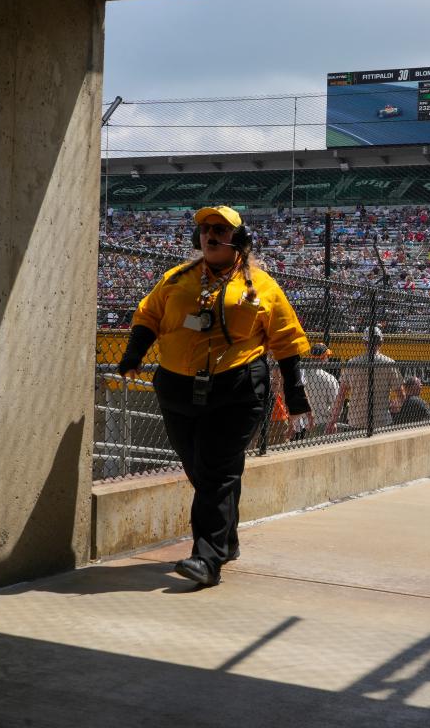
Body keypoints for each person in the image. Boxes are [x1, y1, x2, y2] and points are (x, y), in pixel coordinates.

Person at [117, 205, 311, 587]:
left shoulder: (262, 286)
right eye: (205, 229)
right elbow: (148, 314)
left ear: (238, 239)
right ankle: (226, 540)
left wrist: (296, 393)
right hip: (178, 389)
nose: (210, 235)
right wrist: (133, 354)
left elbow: (286, 340)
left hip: (237, 389)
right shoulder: (176, 278)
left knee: (216, 471)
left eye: (220, 229)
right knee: (202, 469)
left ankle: (206, 559)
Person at [326, 325, 403, 433]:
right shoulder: (389, 363)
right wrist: (396, 405)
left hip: (356, 420)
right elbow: (400, 394)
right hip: (381, 420)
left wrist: (333, 420)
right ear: (381, 343)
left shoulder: (352, 363)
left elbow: (341, 395)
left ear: (364, 343)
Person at [292, 342, 340, 437]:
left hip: (305, 423)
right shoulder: (329, 378)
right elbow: (336, 404)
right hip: (323, 422)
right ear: (324, 357)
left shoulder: (302, 373)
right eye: (327, 356)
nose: (328, 358)